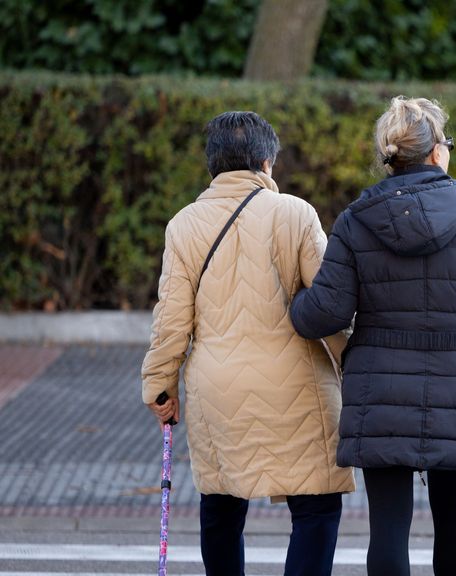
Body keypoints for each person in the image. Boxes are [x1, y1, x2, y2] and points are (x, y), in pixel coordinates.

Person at [289, 96, 456, 576]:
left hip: (379, 393)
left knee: (387, 529)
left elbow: (324, 313)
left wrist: (294, 303)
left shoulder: (357, 222)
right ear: (437, 153)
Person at [141, 111, 354, 576]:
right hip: (297, 385)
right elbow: (329, 305)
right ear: (266, 161)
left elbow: (171, 318)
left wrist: (160, 386)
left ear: (212, 165)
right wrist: (354, 365)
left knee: (221, 505)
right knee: (316, 507)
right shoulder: (296, 214)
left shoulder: (184, 225)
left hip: (216, 390)